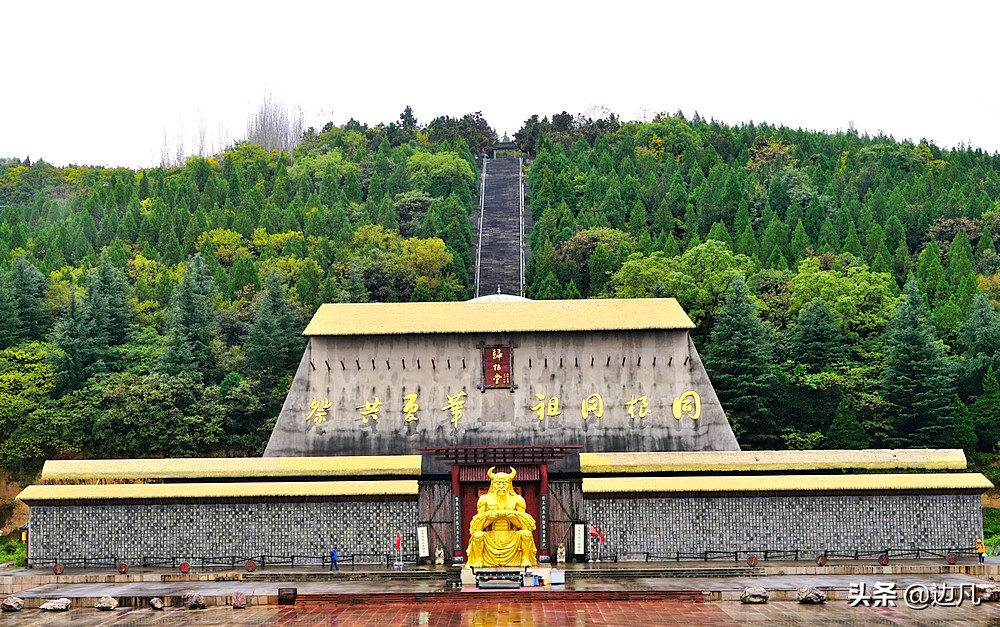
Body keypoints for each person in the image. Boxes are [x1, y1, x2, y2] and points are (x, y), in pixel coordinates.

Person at [466, 466, 537, 568]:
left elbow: (524, 525)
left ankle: (525, 559)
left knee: (526, 534)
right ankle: (478, 559)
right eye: (498, 483)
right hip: (491, 535)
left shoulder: (518, 499)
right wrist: (490, 519)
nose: (501, 486)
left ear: (509, 484)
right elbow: (477, 526)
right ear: (493, 484)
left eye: (504, 483)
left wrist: (512, 518)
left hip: (511, 535)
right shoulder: (484, 499)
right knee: (477, 535)